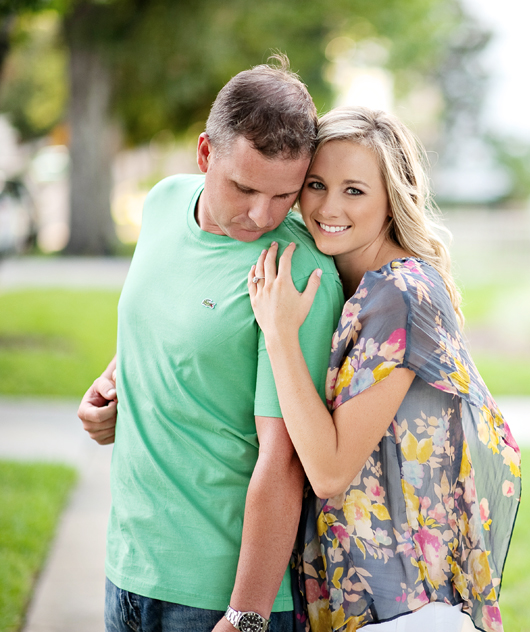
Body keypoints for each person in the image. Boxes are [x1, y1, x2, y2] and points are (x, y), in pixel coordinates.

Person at [76, 57, 344, 632]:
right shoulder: (163, 202)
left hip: (216, 596)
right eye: (244, 187)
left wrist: (246, 616)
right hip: (128, 565)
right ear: (205, 154)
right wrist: (112, 384)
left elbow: (285, 458)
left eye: (284, 195)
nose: (261, 215)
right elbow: (166, 322)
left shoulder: (296, 271)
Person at [247, 106, 521, 632]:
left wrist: (279, 334)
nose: (328, 206)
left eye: (354, 190)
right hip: (367, 601)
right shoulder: (350, 285)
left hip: (401, 609)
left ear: (392, 200)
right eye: (316, 185)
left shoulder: (399, 293)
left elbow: (329, 470)